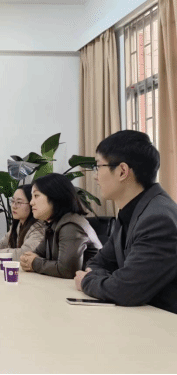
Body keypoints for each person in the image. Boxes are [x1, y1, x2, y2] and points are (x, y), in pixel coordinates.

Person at [75, 130, 177, 314]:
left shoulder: (158, 218)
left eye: (98, 166)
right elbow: (97, 263)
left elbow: (125, 290)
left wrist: (87, 281)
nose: (95, 176)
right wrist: (111, 279)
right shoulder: (130, 212)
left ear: (122, 171)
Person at [20, 173, 102, 279]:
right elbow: (37, 254)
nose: (31, 202)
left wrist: (34, 263)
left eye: (36, 196)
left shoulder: (71, 226)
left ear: (55, 196)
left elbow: (67, 270)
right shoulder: (53, 224)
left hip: (91, 286)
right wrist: (28, 260)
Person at [0, 185, 47, 261]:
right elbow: (3, 244)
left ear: (32, 204)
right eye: (13, 201)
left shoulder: (39, 228)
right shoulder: (18, 224)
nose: (13, 206)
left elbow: (25, 254)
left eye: (19, 202)